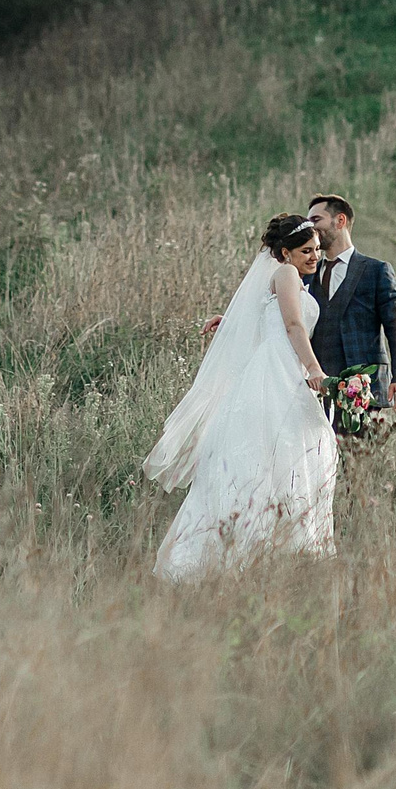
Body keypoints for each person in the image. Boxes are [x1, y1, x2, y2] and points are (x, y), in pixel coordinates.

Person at [141, 214, 337, 578]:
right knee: (284, 456)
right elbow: (293, 326)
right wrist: (314, 369)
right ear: (285, 252)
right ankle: (265, 551)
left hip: (275, 370)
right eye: (306, 250)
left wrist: (228, 323)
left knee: (276, 458)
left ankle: (259, 550)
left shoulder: (282, 278)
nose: (314, 256)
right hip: (278, 375)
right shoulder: (287, 274)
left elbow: (267, 324)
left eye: (316, 250)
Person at [305, 194, 396, 415]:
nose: (310, 228)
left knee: (356, 451)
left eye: (316, 220)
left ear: (340, 221)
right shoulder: (305, 273)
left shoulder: (376, 270)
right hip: (313, 391)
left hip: (363, 392)